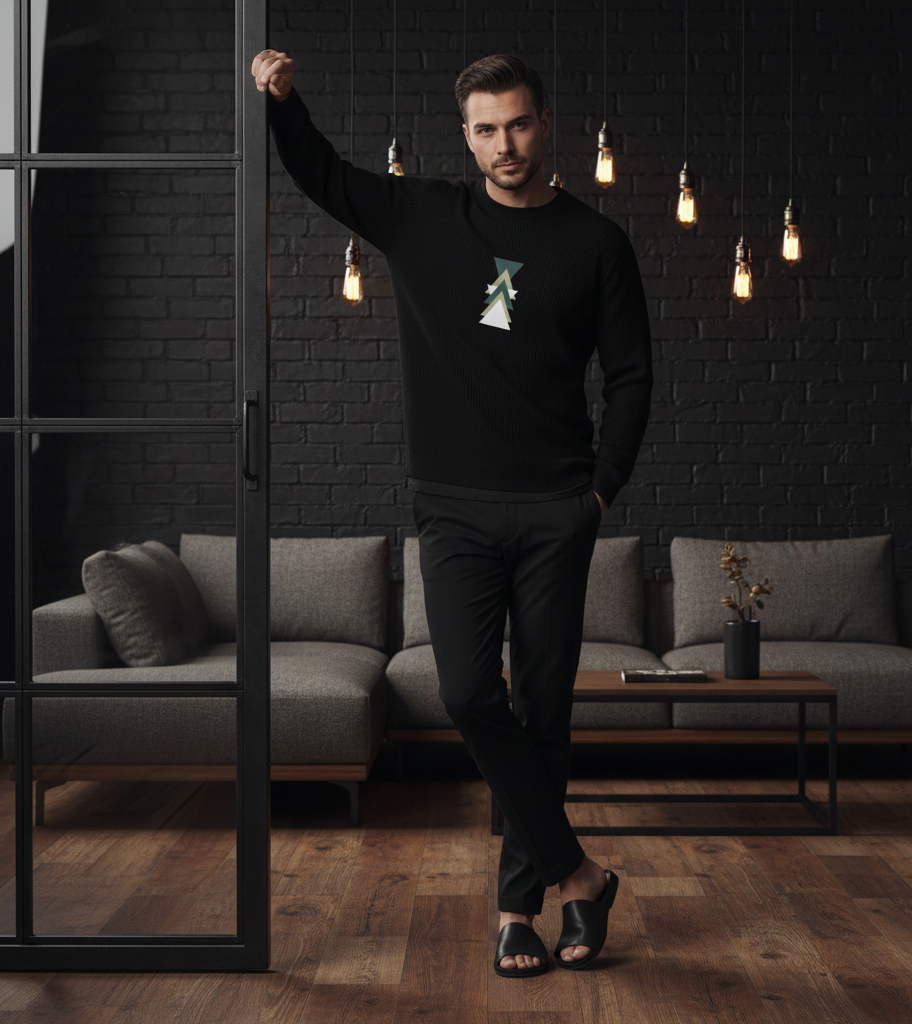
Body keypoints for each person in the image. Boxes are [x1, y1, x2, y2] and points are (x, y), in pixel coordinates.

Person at [251, 48, 653, 976]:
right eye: (485, 129)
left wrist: (600, 493)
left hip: (559, 507)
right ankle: (581, 877)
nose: (504, 144)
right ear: (463, 135)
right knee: (472, 693)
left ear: (543, 123)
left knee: (543, 710)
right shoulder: (421, 215)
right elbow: (321, 174)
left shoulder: (597, 244)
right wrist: (283, 99)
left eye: (517, 123)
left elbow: (631, 379)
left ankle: (519, 911)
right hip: (456, 510)